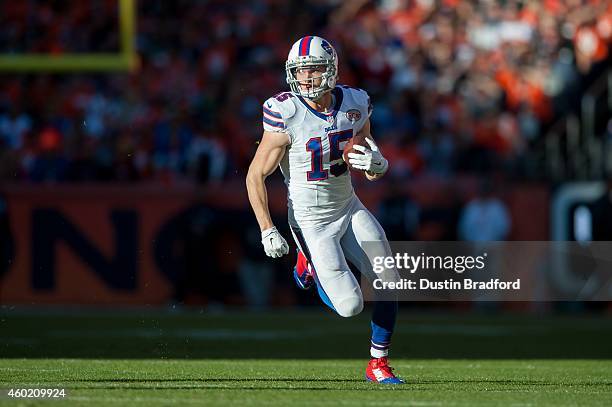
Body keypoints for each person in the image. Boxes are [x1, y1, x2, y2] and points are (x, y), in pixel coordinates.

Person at [246, 36, 403, 384]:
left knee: (390, 278)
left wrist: (377, 163)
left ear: (331, 70)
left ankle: (378, 364)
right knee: (350, 306)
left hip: (348, 207)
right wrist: (267, 229)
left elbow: (364, 148)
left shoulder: (355, 102)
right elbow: (255, 174)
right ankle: (310, 266)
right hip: (311, 221)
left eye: (313, 69)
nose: (305, 78)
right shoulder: (286, 112)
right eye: (300, 71)